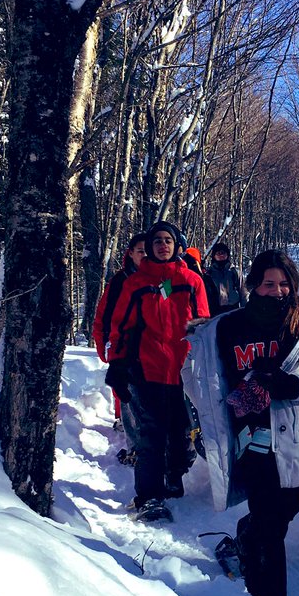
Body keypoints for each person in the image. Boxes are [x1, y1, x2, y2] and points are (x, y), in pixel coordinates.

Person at [183, 250, 299, 596]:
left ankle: (246, 538)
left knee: (289, 506)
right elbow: (194, 375)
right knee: (270, 527)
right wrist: (214, 409)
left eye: (284, 284)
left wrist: (290, 385)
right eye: (268, 284)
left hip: (292, 437)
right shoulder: (227, 327)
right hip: (249, 439)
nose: (277, 291)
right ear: (253, 285)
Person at [105, 220, 210, 522]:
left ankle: (174, 476)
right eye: (157, 241)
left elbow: (204, 324)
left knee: (181, 431)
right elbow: (120, 327)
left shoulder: (192, 281)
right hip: (146, 369)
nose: (162, 245)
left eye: (168, 240)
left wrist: (205, 363)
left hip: (184, 371)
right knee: (151, 434)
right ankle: (149, 497)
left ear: (177, 246)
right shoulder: (136, 283)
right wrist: (117, 364)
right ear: (149, 248)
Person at [92, 232, 148, 429]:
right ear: (131, 253)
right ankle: (127, 427)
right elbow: (104, 315)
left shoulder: (161, 278)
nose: (145, 256)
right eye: (140, 251)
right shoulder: (120, 280)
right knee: (125, 386)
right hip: (125, 343)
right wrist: (104, 343)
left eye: (148, 251)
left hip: (153, 345)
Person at [203, 241, 245, 316]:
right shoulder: (209, 275)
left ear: (227, 255)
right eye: (218, 253)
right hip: (216, 311)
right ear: (214, 256)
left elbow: (244, 293)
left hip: (234, 310)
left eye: (223, 253)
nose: (221, 255)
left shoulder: (234, 272)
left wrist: (246, 311)